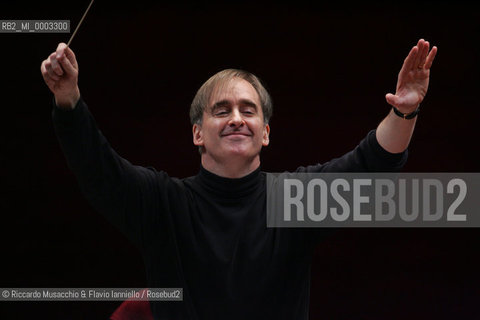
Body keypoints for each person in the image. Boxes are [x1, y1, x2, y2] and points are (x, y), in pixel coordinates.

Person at [41, 39, 437, 319]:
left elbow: (370, 167)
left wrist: (404, 111)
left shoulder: (294, 200)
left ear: (265, 132)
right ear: (198, 133)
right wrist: (68, 97)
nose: (235, 118)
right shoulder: (163, 204)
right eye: (221, 109)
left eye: (248, 110)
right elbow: (98, 170)